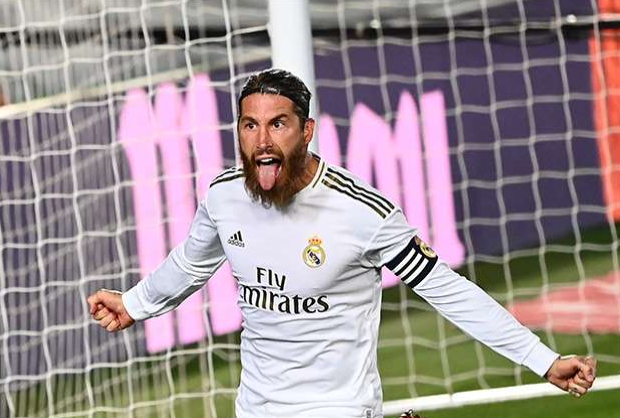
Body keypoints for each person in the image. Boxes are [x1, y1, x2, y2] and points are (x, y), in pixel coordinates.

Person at [88, 69, 597, 418]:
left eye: (278, 124)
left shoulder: (363, 212)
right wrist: (134, 303)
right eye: (250, 125)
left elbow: (447, 290)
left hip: (339, 407)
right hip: (257, 407)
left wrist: (542, 359)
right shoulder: (224, 196)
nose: (262, 141)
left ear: (306, 130)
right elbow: (190, 263)